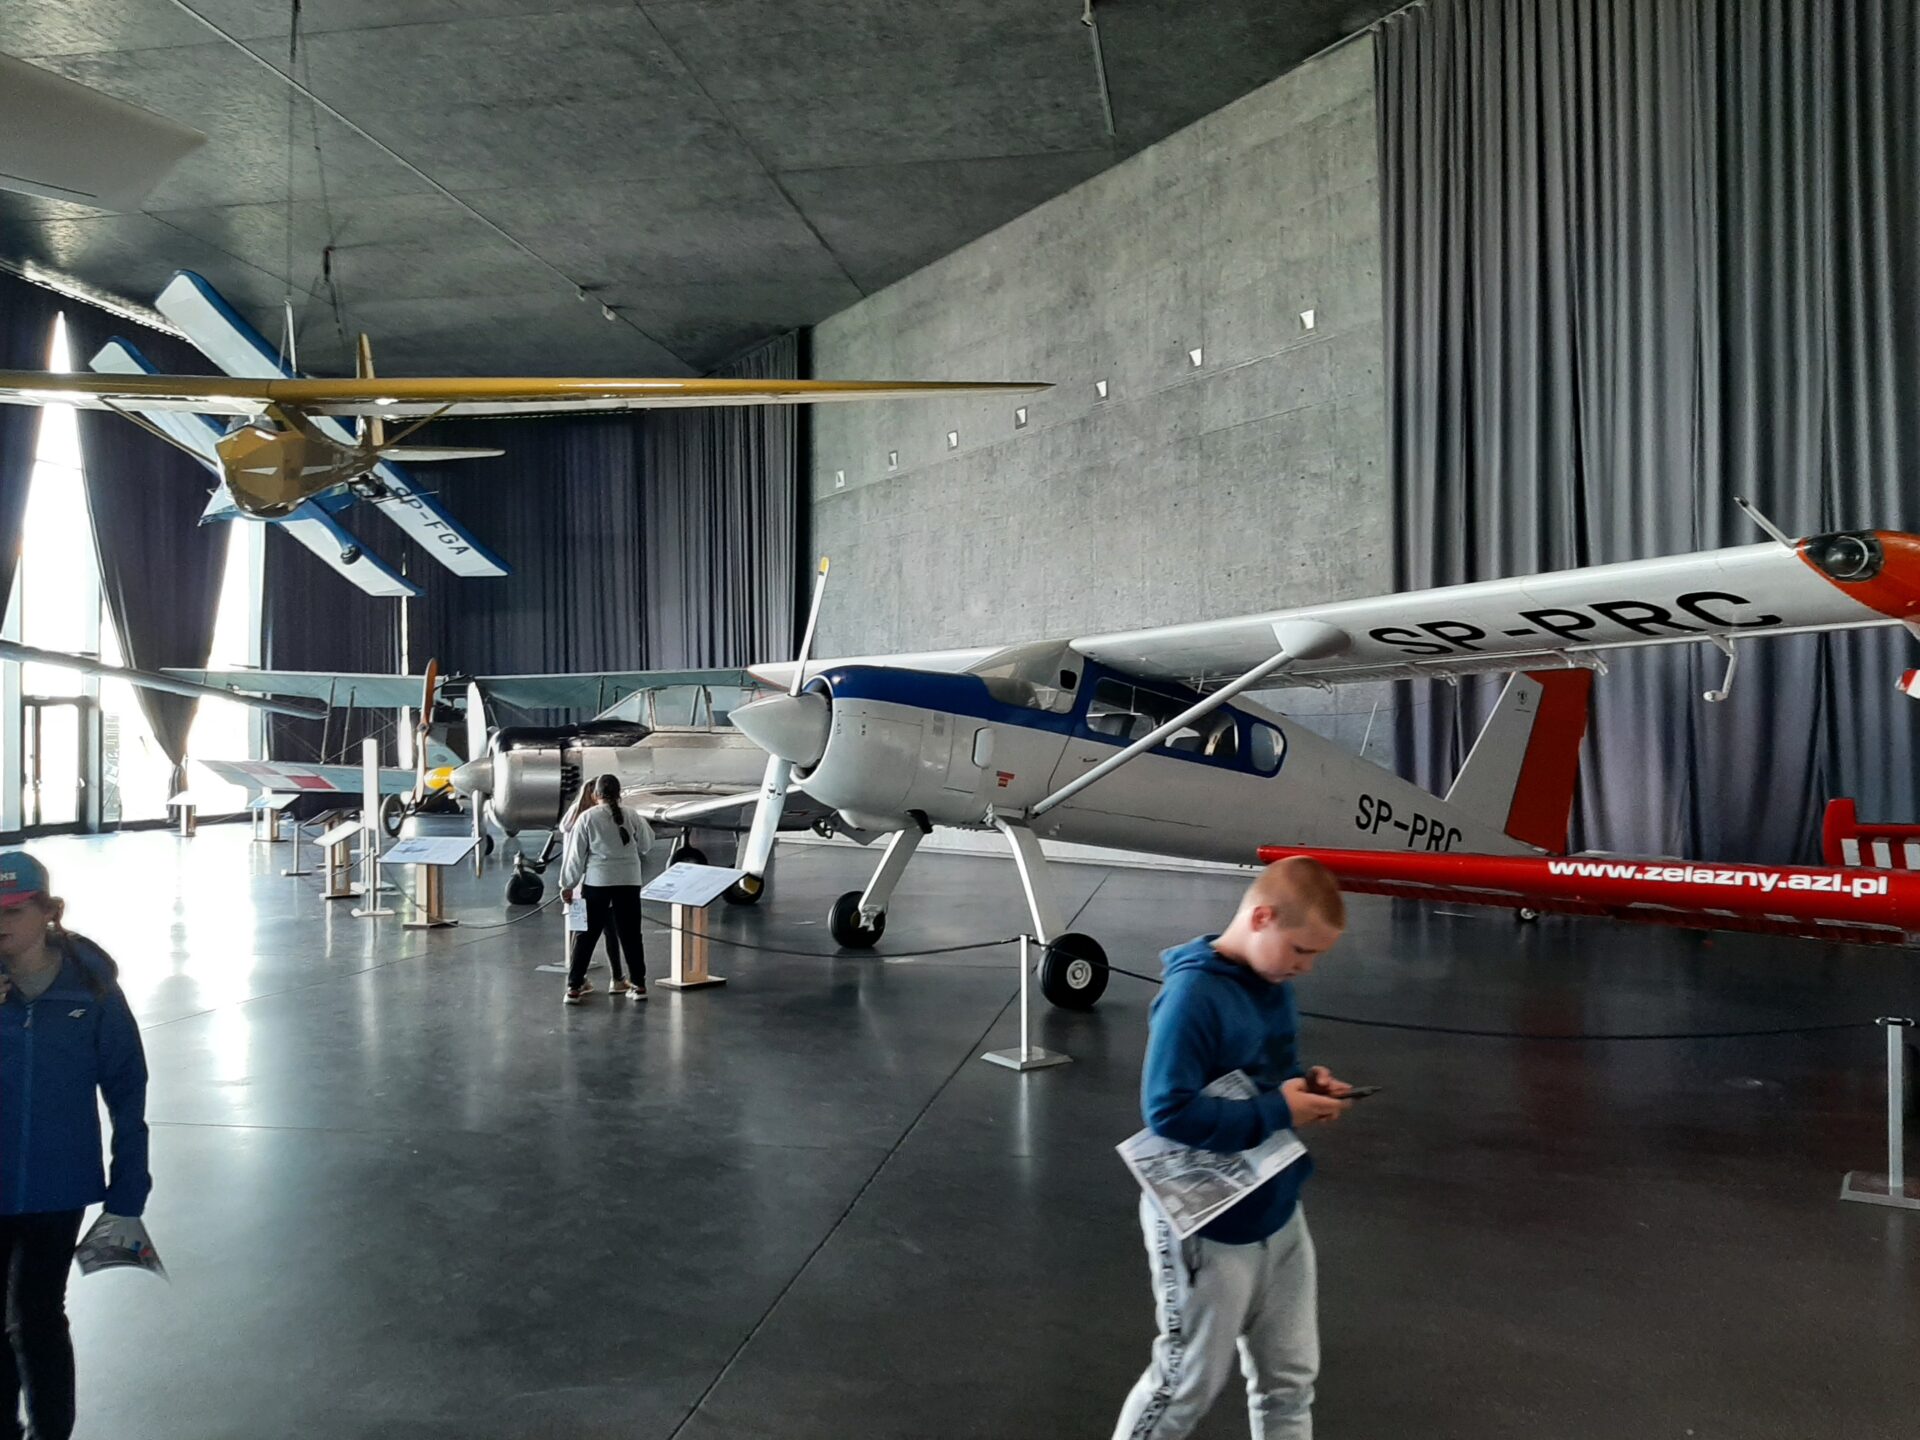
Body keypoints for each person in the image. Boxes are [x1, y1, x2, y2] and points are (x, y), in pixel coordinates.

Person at [1111, 856, 1353, 1440]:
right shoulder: (1192, 994)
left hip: (1278, 1212)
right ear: (1262, 918)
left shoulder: (1273, 982)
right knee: (1181, 1390)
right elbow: (1168, 1111)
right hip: (1208, 1229)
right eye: (1301, 950)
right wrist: (1280, 1110)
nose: (1306, 966)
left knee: (1289, 1385)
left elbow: (1267, 1074)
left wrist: (1304, 1087)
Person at [0, 852, 150, 1440]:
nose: (1, 924)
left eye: (14, 910)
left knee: (36, 1314)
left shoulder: (91, 989)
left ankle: (50, 1432)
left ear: (49, 912)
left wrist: (129, 1187)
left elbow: (127, 1086)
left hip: (58, 1185)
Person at [558, 775, 654, 1005]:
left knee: (586, 936)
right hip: (629, 881)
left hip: (597, 883)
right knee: (631, 935)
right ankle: (639, 985)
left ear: (595, 795)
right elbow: (647, 844)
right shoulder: (632, 815)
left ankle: (574, 988)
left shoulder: (587, 817)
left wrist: (567, 885)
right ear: (620, 794)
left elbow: (575, 856)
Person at [558, 779, 622, 982]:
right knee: (610, 931)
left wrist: (567, 884)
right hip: (596, 882)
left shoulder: (573, 816)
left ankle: (577, 979)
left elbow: (572, 855)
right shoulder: (595, 818)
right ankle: (617, 978)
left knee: (579, 932)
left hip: (576, 883)